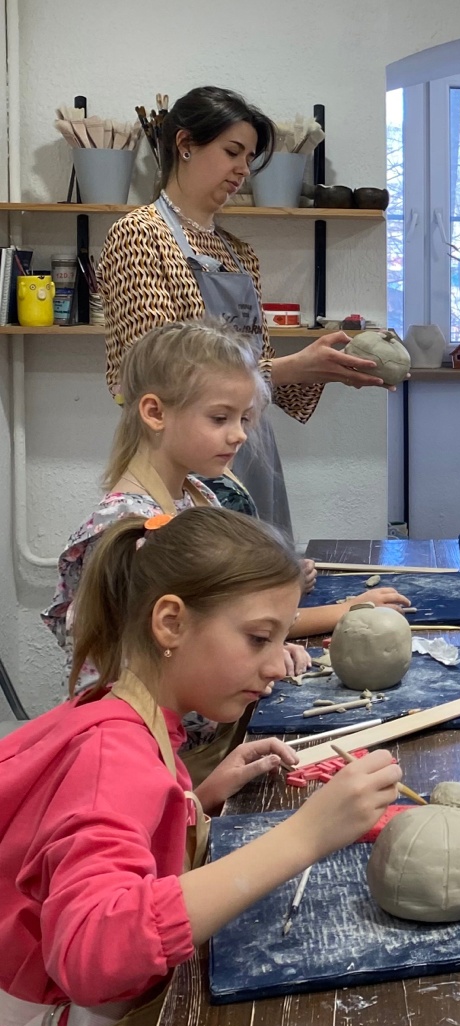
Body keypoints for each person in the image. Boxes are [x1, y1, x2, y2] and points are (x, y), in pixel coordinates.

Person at [0, 508, 404, 1026]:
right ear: (171, 623)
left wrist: (198, 798)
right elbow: (93, 951)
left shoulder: (129, 710)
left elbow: (127, 822)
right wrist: (305, 836)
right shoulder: (111, 755)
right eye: (258, 638)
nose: (277, 666)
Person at [41, 322, 407, 780]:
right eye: (220, 419)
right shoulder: (124, 529)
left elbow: (219, 619)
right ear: (154, 412)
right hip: (146, 766)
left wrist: (265, 649)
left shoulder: (199, 495)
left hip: (200, 755)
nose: (238, 435)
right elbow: (118, 680)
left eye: (244, 419)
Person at [98, 85, 386, 541]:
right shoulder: (139, 236)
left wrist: (327, 366)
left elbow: (265, 375)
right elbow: (157, 375)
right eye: (232, 152)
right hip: (176, 456)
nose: (243, 170)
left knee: (257, 572)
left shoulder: (238, 253)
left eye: (249, 158)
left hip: (247, 445)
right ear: (185, 144)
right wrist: (293, 366)